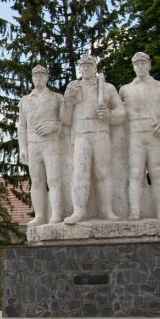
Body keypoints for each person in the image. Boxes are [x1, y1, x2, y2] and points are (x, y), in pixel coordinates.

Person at [60, 53, 124, 224]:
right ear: (79, 68)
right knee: (80, 173)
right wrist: (68, 101)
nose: (86, 68)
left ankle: (107, 211)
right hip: (81, 134)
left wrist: (108, 115)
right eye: (83, 66)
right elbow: (65, 119)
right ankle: (79, 211)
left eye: (89, 65)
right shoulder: (73, 88)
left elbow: (121, 113)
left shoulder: (107, 88)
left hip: (100, 132)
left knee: (103, 172)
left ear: (95, 68)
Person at [118, 51, 160, 221]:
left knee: (157, 171)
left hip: (154, 133)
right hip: (134, 134)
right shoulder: (125, 89)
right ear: (133, 67)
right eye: (136, 64)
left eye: (143, 63)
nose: (140, 66)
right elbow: (119, 114)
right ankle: (134, 211)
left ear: (149, 65)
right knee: (135, 172)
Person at [17, 65, 65, 225]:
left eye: (41, 76)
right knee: (37, 181)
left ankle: (56, 214)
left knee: (54, 179)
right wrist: (23, 147)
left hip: (51, 143)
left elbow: (67, 122)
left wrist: (55, 126)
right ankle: (40, 216)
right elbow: (22, 126)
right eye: (35, 76)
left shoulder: (56, 98)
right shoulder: (25, 101)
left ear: (46, 78)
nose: (38, 78)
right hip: (33, 144)